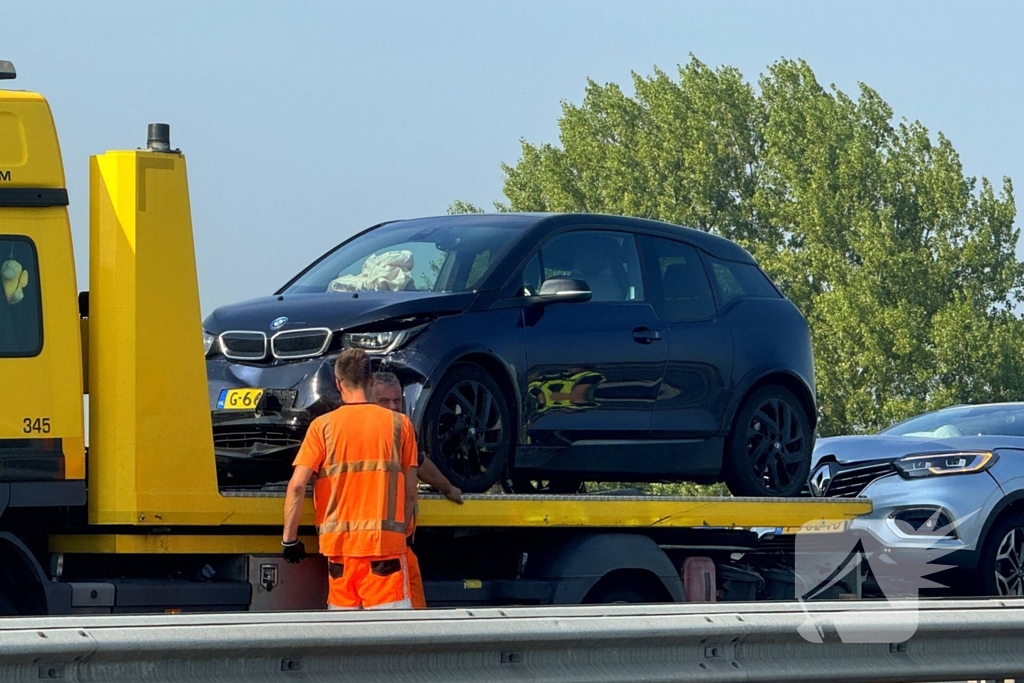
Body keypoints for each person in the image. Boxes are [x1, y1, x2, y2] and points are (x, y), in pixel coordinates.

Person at [280, 349, 418, 610]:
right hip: (384, 549)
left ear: (338, 383)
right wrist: (404, 534)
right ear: (370, 381)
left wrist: (290, 540)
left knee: (345, 629)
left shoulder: (322, 427)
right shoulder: (400, 425)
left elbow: (297, 486)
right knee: (390, 632)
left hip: (340, 553)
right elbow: (411, 492)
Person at [369, 371, 462, 609]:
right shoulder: (383, 431)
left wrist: (448, 488)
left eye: (396, 401)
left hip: (387, 546)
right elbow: (411, 488)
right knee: (406, 621)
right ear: (369, 401)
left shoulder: (400, 430)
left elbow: (419, 462)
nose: (393, 407)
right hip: (388, 546)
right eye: (384, 401)